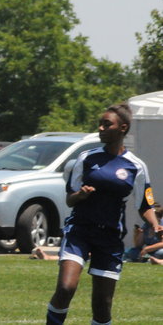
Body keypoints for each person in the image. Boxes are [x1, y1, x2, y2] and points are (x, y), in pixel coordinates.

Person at [45, 102, 162, 325]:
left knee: (102, 305)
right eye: (100, 124)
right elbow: (70, 198)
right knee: (65, 288)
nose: (100, 128)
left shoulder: (136, 166)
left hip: (109, 237)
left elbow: (145, 204)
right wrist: (80, 195)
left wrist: (155, 225)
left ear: (123, 128)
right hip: (79, 231)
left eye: (107, 124)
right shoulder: (86, 158)